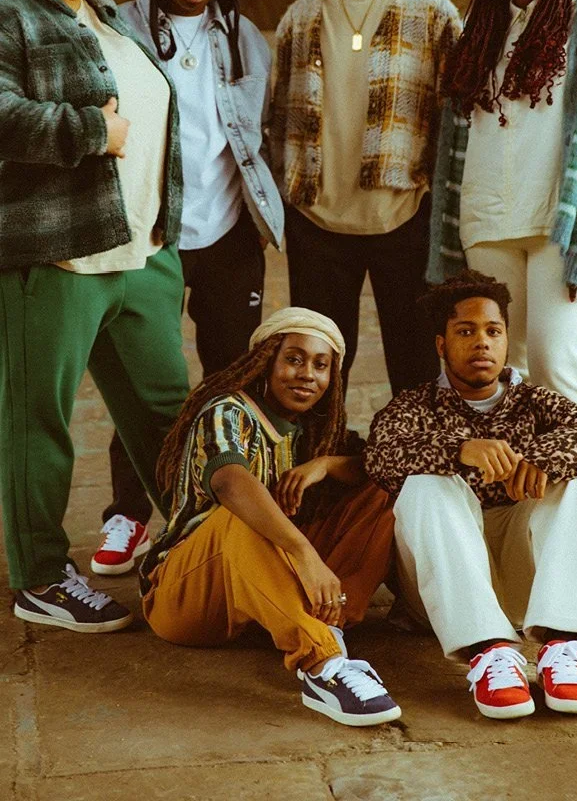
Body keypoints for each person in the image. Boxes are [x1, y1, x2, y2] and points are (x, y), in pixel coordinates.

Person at [0, 0, 189, 632]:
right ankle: (41, 577)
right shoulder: (11, 15)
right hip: (56, 256)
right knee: (38, 420)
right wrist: (86, 129)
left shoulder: (114, 20)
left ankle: (197, 549)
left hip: (141, 254)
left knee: (167, 420)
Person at [89, 0, 284, 577]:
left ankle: (231, 506)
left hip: (228, 237)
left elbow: (264, 128)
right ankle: (129, 511)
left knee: (232, 377)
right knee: (145, 379)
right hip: (151, 232)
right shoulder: (120, 25)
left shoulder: (245, 39)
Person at [364, 270, 577, 720]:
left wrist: (538, 460)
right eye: (466, 331)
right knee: (424, 483)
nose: (481, 342)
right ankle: (490, 652)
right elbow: (382, 456)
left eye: (493, 331)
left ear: (504, 341)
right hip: (442, 594)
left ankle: (563, 645)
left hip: (525, 582)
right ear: (442, 345)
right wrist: (461, 452)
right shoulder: (413, 406)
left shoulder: (536, 401)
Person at [140, 306, 401, 727]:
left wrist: (326, 464)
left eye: (321, 365)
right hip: (187, 597)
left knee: (385, 486)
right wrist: (303, 553)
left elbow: (371, 467)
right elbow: (229, 483)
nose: (306, 375)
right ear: (266, 361)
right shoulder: (227, 410)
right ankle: (323, 664)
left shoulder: (315, 428)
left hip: (261, 586)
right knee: (238, 516)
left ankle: (329, 617)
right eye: (293, 359)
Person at [270, 0, 461, 394]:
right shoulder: (301, 16)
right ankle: (321, 469)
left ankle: (416, 472)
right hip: (317, 224)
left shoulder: (431, 12)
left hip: (404, 218)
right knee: (319, 366)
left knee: (417, 360)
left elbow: (457, 115)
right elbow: (276, 116)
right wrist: (286, 198)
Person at [428, 0, 577, 413]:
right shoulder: (478, 38)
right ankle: (521, 494)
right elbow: (453, 150)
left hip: (559, 224)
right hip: (486, 222)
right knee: (506, 377)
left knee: (557, 365)